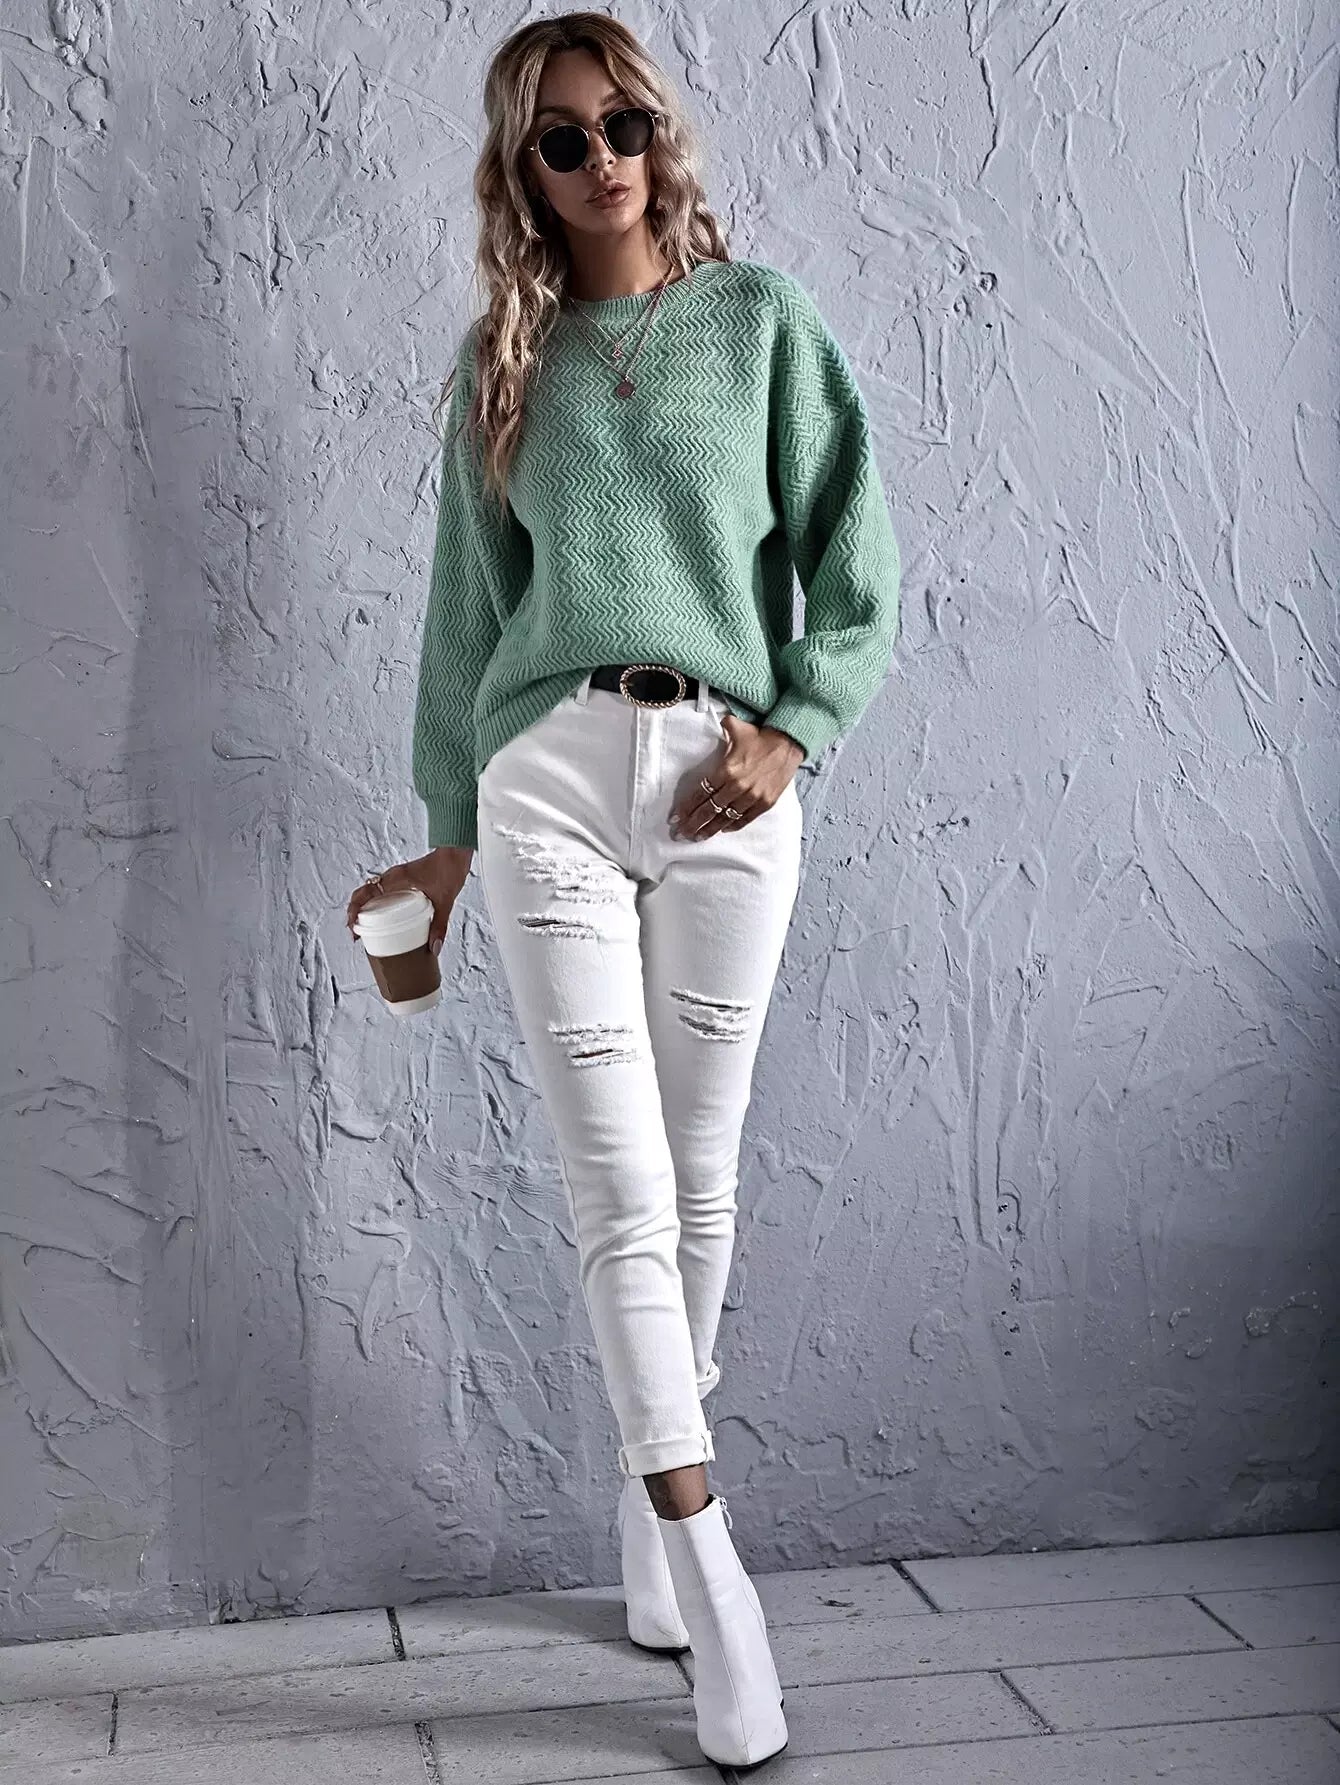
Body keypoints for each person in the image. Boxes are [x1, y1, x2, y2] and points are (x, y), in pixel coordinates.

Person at [345, 11, 900, 1769]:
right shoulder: (501, 365)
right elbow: (462, 623)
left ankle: (648, 1509)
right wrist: (449, 833)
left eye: (626, 125)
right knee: (619, 1188)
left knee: (701, 1179)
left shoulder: (762, 325)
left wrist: (795, 729)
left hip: (727, 781)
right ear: (523, 175)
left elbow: (859, 559)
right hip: (549, 786)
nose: (605, 163)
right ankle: (710, 1559)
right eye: (563, 142)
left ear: (664, 132)